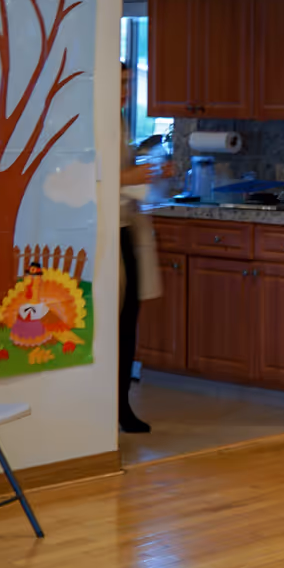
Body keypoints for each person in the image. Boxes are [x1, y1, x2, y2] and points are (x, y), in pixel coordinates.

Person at [118, 63, 161, 434]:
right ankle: (114, 406)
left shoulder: (120, 122)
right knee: (115, 322)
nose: (125, 91)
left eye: (128, 84)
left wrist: (147, 172)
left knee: (127, 321)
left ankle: (121, 405)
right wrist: (129, 176)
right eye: (120, 83)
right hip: (108, 231)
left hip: (127, 228)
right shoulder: (89, 123)